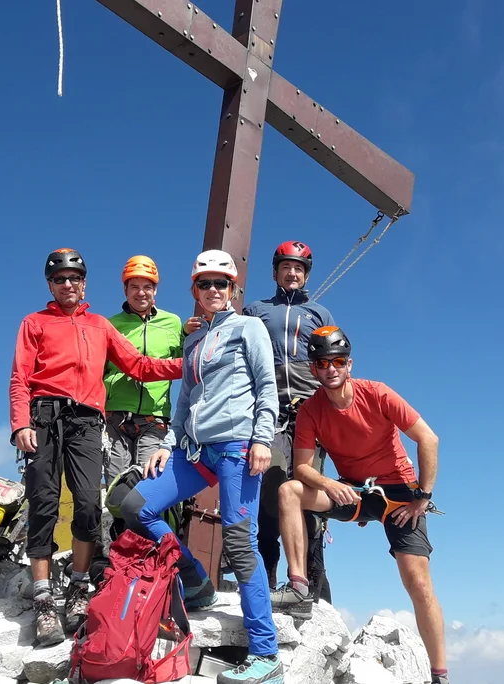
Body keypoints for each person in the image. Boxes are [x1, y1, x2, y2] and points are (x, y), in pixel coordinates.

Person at [120, 249, 284, 684]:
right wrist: (168, 444)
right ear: (194, 288)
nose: (213, 289)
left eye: (221, 283)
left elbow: (267, 386)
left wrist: (262, 439)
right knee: (137, 507)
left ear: (233, 289)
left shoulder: (249, 327)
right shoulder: (193, 340)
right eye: (204, 283)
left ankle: (266, 655)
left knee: (240, 543)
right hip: (194, 450)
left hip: (237, 446)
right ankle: (195, 581)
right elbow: (186, 399)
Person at [9, 248, 184, 647]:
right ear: (50, 285)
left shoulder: (100, 326)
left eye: (74, 278)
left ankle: (77, 586)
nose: (67, 284)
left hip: (87, 421)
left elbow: (139, 366)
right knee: (43, 502)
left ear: (84, 283)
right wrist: (20, 423)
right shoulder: (34, 322)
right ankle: (43, 600)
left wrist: (189, 364)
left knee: (89, 502)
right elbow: (20, 376)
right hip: (43, 418)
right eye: (59, 279)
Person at [268, 326, 450, 684]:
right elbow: (302, 467)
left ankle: (439, 675)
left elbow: (428, 439)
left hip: (399, 494)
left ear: (349, 364)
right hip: (352, 491)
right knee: (289, 491)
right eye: (322, 363)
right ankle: (299, 584)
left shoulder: (377, 393)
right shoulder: (311, 410)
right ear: (313, 369)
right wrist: (331, 484)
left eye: (337, 361)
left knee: (418, 583)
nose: (330, 369)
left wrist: (422, 498)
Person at [242, 240, 336, 600]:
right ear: (275, 272)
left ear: (306, 275)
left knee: (308, 494)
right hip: (270, 412)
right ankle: (266, 580)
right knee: (270, 492)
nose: (292, 273)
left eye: (299, 268)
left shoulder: (320, 313)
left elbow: (334, 364)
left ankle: (313, 585)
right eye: (286, 267)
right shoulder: (256, 310)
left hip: (312, 414)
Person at [102, 255, 184, 488]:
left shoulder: (173, 323)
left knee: (147, 486)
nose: (141, 293)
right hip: (115, 418)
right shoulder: (110, 325)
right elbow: (98, 371)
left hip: (154, 418)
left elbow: (186, 364)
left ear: (155, 290)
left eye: (147, 287)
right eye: (134, 287)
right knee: (116, 487)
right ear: (125, 290)